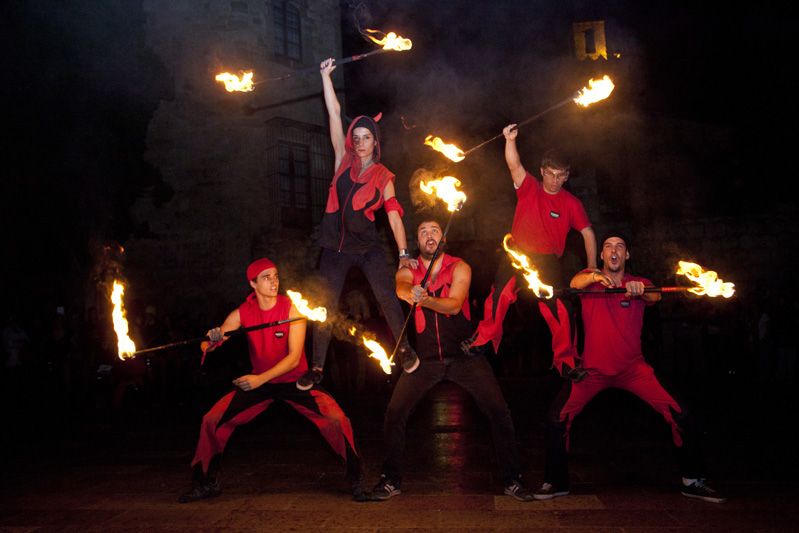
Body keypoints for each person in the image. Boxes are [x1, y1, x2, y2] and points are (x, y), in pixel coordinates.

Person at [532, 234, 727, 503]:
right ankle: (556, 482)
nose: (614, 250)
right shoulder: (588, 280)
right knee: (556, 418)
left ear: (626, 256)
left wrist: (640, 290)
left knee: (683, 414)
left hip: (633, 369)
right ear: (602, 256)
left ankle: (692, 480)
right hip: (593, 371)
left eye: (620, 247)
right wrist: (594, 277)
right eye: (609, 247)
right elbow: (574, 283)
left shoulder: (639, 283)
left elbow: (656, 296)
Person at [179, 258, 369, 503]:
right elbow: (212, 342)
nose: (274, 281)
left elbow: (292, 359)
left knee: (337, 419)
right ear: (253, 284)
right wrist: (212, 339)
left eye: (276, 275)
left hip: (295, 382)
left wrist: (259, 380)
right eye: (266, 277)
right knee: (212, 420)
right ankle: (206, 482)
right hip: (261, 383)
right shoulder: (242, 313)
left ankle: (357, 480)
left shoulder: (293, 309)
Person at [371, 220, 534, 502]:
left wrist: (424, 300)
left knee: (498, 410)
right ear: (417, 241)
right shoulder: (409, 268)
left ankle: (512, 479)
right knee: (395, 412)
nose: (429, 235)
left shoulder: (460, 266)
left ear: (442, 237)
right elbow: (401, 288)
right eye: (422, 232)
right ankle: (390, 480)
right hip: (425, 360)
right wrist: (411, 293)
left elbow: (455, 304)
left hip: (463, 356)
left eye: (434, 230)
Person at [296, 57, 419, 391]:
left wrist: (404, 252)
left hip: (367, 249)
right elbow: (334, 113)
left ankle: (405, 349)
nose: (361, 142)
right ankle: (317, 368)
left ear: (375, 142)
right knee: (323, 305)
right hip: (334, 249)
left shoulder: (383, 176)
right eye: (358, 136)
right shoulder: (341, 160)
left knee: (386, 296)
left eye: (367, 137)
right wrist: (325, 77)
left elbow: (394, 216)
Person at [462, 125, 596, 379]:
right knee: (499, 294)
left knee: (562, 307)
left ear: (567, 176)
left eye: (561, 175)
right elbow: (514, 165)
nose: (555, 180)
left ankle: (566, 362)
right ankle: (482, 341)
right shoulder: (529, 187)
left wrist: (590, 270)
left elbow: (588, 233)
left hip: (547, 262)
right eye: (551, 174)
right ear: (543, 171)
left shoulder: (571, 203)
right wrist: (509, 140)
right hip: (517, 255)